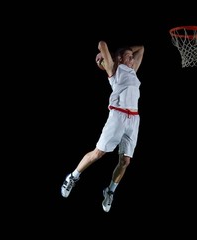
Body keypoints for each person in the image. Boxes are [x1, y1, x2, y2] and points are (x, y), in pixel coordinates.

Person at [61, 40, 144, 212]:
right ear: (120, 59)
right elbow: (102, 44)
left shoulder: (133, 72)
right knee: (99, 153)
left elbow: (141, 48)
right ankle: (72, 177)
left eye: (132, 57)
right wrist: (112, 57)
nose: (133, 59)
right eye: (129, 57)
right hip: (118, 116)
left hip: (134, 118)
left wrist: (126, 51)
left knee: (125, 161)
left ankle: (110, 192)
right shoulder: (115, 70)